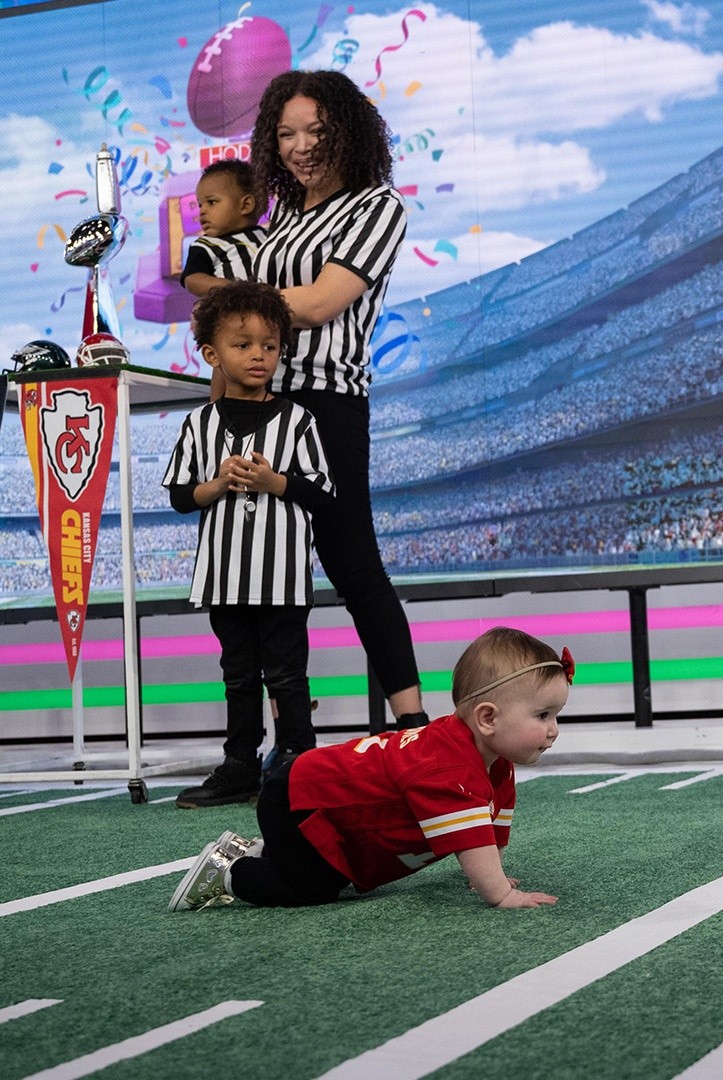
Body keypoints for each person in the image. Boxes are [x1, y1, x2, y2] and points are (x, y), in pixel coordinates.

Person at [248, 69, 426, 733]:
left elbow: (322, 303)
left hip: (326, 406)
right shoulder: (282, 218)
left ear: (347, 132)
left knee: (352, 563)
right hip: (263, 405)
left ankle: (410, 723)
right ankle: (287, 736)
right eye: (286, 132)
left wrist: (238, 308)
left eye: (315, 130)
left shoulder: (377, 207)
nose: (299, 146)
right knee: (271, 575)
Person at [168, 627, 571, 911]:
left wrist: (490, 872)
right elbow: (472, 842)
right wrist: (498, 893)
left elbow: (490, 829)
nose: (553, 730)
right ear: (487, 718)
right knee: (315, 887)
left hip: (313, 796)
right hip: (297, 800)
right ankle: (228, 872)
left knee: (327, 870)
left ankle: (263, 851)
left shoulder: (494, 762)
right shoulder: (449, 768)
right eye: (543, 715)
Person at [163, 282, 334, 808]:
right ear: (211, 354)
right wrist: (216, 486)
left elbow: (323, 493)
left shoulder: (298, 420)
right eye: (243, 345)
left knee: (286, 673)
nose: (259, 355)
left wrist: (273, 482)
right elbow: (179, 496)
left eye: (270, 344)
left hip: (282, 577)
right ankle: (240, 764)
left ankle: (298, 760)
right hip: (225, 575)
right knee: (238, 673)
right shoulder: (198, 424)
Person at [179, 159, 266, 300]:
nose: (202, 211)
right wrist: (232, 288)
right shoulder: (205, 245)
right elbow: (192, 279)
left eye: (211, 202)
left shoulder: (267, 237)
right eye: (200, 205)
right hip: (234, 313)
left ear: (246, 205)